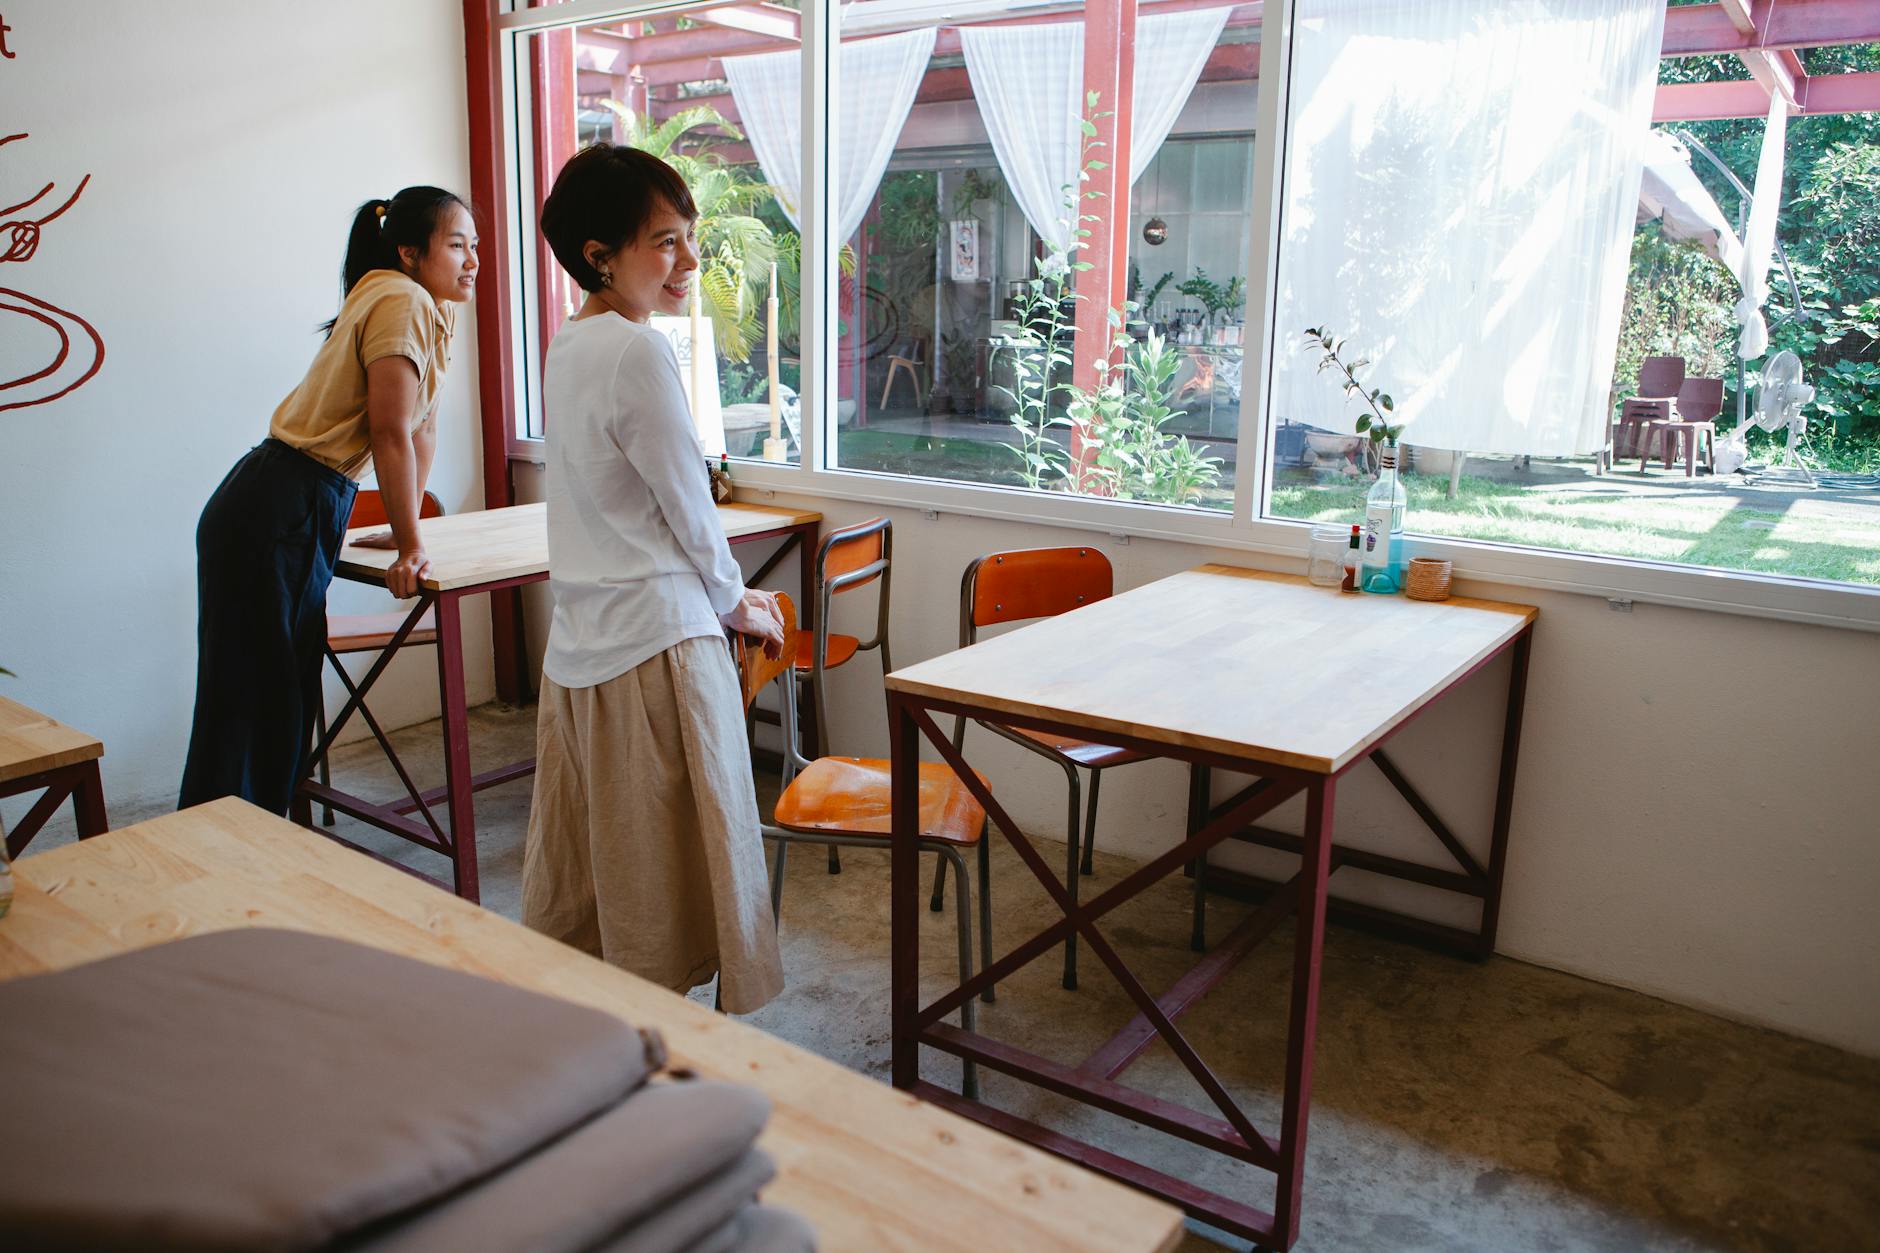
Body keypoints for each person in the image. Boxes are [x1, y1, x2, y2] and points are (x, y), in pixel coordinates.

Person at [525, 144, 785, 1013]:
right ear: (600, 255)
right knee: (680, 875)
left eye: (688, 238)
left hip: (584, 647)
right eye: (665, 242)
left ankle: (620, 1039)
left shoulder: (573, 343)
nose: (689, 262)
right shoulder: (637, 355)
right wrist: (736, 599)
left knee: (615, 872)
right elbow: (687, 506)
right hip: (656, 649)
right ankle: (672, 1056)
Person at [179, 186, 477, 814]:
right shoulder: (401, 298)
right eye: (457, 246)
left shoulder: (421, 303)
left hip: (289, 498)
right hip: (281, 500)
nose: (472, 260)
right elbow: (388, 431)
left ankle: (251, 848)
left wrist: (407, 531)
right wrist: (413, 543)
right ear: (410, 252)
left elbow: (420, 429)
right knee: (257, 701)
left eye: (474, 246)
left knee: (272, 697)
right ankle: (228, 855)